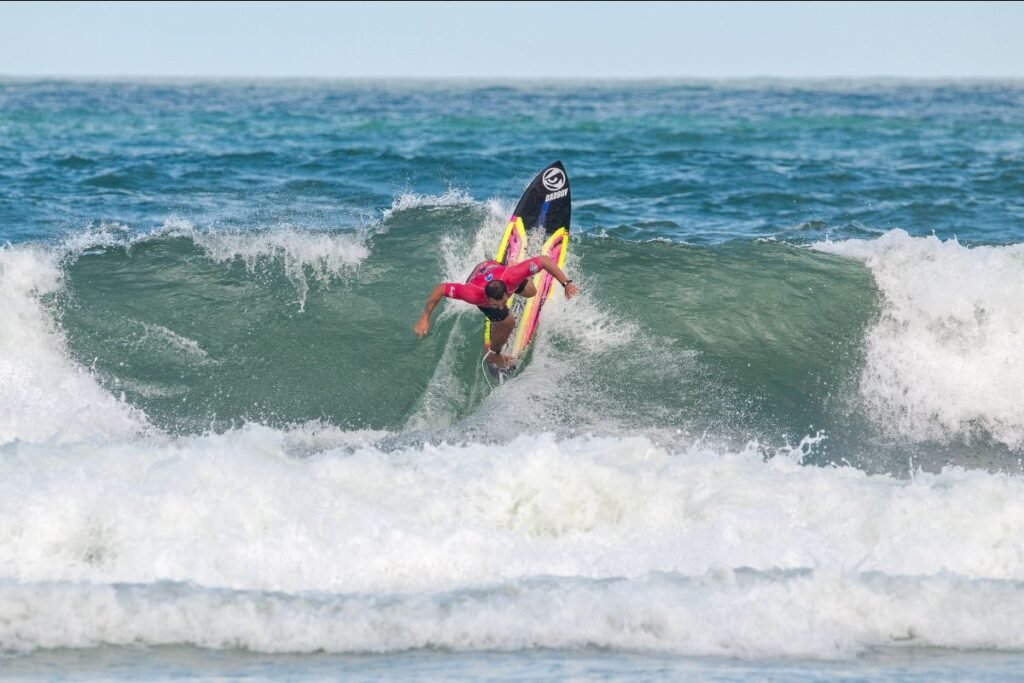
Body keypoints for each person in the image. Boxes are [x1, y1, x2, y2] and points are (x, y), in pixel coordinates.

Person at [415, 255, 579, 367]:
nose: (502, 306)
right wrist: (425, 317)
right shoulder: (471, 294)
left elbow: (544, 260)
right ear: (488, 299)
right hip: (479, 274)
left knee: (531, 292)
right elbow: (441, 289)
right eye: (496, 304)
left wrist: (566, 283)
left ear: (507, 291)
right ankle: (494, 353)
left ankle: (517, 267)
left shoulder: (512, 277)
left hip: (499, 269)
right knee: (507, 320)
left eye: (504, 302)